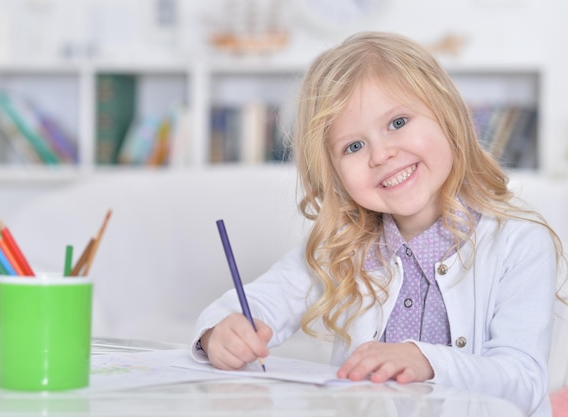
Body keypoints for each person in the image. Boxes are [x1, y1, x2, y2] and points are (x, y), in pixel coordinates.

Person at [190, 31, 564, 417]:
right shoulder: (342, 249)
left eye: (398, 121)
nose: (381, 154)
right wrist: (220, 331)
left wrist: (427, 362)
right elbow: (256, 303)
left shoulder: (520, 244)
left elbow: (522, 381)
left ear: (448, 115)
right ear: (334, 173)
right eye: (353, 146)